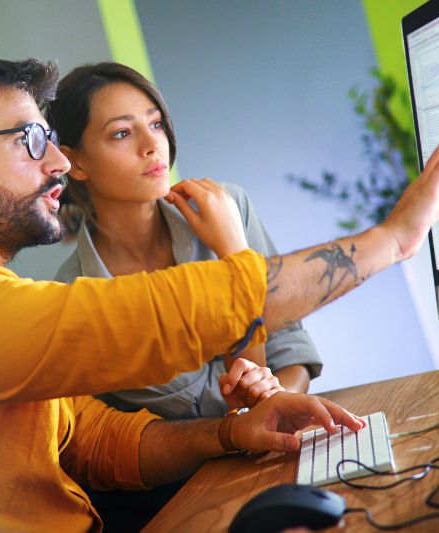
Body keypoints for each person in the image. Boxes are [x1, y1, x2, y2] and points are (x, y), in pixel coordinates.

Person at [0, 54, 439, 532]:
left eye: (49, 140)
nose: (55, 163)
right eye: (28, 140)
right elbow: (153, 318)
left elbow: (100, 440)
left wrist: (234, 434)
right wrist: (393, 239)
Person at [51, 62, 320, 420]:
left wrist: (279, 402)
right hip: (200, 473)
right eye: (121, 133)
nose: (152, 145)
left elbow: (289, 350)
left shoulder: (228, 206)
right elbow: (225, 402)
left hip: (282, 438)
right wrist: (234, 255)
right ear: (75, 162)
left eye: (156, 123)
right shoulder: (78, 300)